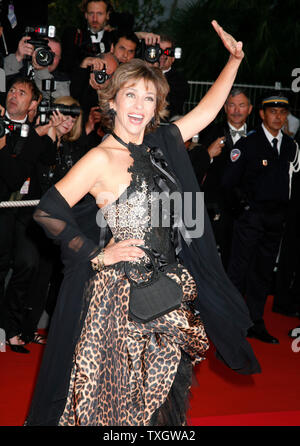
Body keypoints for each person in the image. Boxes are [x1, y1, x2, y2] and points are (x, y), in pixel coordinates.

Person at [25, 21, 260, 427]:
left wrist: (234, 61)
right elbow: (47, 210)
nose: (139, 105)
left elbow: (206, 112)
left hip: (168, 290)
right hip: (120, 302)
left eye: (148, 98)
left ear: (156, 106)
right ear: (112, 101)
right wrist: (98, 253)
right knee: (119, 406)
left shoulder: (159, 142)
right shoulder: (99, 159)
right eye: (130, 94)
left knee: (163, 400)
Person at [222, 94, 299, 344]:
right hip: (250, 218)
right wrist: (244, 210)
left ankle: (255, 321)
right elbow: (229, 183)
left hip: (276, 220)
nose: (278, 117)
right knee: (239, 271)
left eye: (282, 112)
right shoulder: (248, 144)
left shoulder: (290, 146)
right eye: (272, 112)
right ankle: (230, 323)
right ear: (262, 115)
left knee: (263, 272)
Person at [0, 76, 55, 353]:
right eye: (11, 90)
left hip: (24, 211)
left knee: (28, 264)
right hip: (0, 210)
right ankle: (3, 331)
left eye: (22, 93)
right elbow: (10, 176)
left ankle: (11, 326)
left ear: (32, 104)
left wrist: (49, 134)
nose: (14, 95)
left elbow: (40, 163)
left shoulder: (38, 135)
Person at [189, 87, 253, 268]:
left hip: (246, 212)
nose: (236, 110)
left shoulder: (257, 136)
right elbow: (193, 167)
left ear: (250, 109)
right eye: (232, 105)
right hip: (214, 209)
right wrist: (208, 153)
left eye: (241, 105)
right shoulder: (211, 132)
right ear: (225, 108)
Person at [4, 36, 70, 99]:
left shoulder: (62, 80)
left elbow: (62, 100)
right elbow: (4, 83)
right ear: (35, 50)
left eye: (54, 55)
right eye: (45, 53)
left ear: (60, 58)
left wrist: (41, 71)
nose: (48, 58)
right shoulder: (21, 65)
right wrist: (17, 57)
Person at [159, 35, 189, 120]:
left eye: (167, 52)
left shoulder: (180, 81)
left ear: (173, 58)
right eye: (159, 51)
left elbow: (172, 107)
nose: (163, 55)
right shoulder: (142, 74)